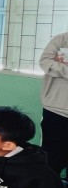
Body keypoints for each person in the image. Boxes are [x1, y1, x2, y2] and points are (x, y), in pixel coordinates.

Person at [39, 32, 68, 178]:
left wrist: (61, 65)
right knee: (52, 158)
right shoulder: (62, 39)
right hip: (56, 109)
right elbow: (45, 62)